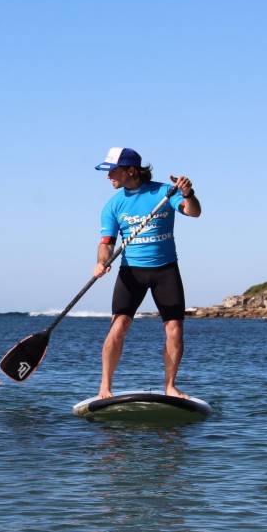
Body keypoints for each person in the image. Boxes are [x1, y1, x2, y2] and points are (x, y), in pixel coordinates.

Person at [92, 147, 202, 399]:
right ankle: (105, 388)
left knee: (174, 328)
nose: (108, 176)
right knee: (117, 326)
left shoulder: (165, 192)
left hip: (165, 271)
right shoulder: (113, 205)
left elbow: (193, 211)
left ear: (131, 170)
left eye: (113, 171)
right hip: (132, 272)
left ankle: (170, 386)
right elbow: (106, 242)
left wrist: (189, 193)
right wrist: (101, 261)